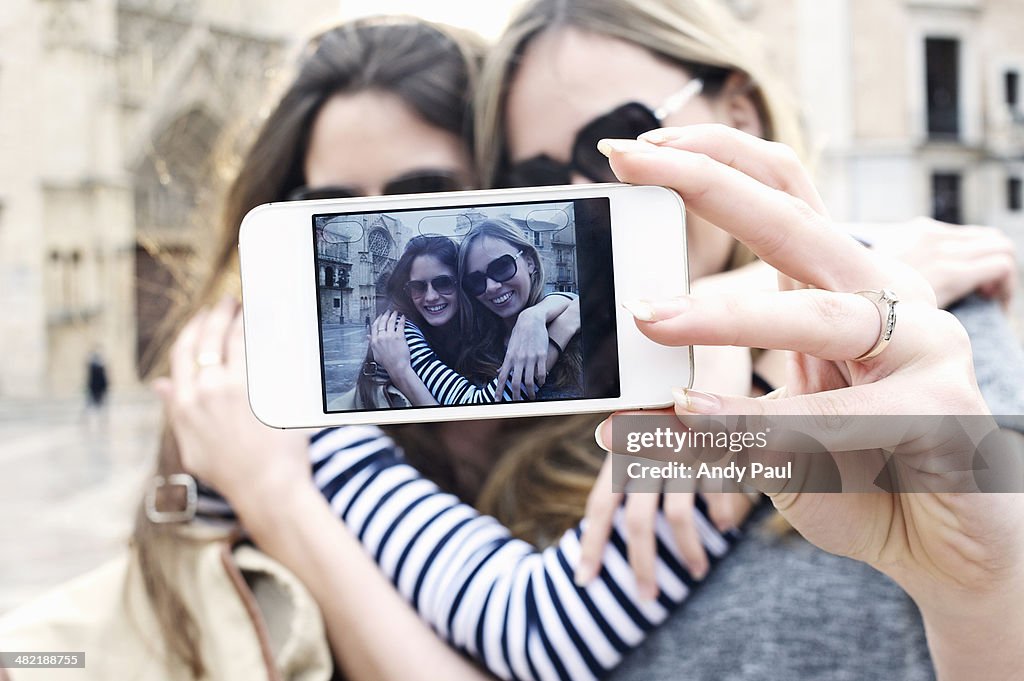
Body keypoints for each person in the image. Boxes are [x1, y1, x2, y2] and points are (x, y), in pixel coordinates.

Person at [365, 234, 580, 405]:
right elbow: (478, 405)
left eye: (444, 283)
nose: (430, 296)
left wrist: (535, 315)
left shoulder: (480, 331)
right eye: (417, 286)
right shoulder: (396, 331)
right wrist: (564, 326)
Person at [458, 218, 584, 400]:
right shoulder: (473, 356)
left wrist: (534, 315)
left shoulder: (579, 330)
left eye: (501, 267)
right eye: (476, 281)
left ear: (529, 262)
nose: (491, 286)